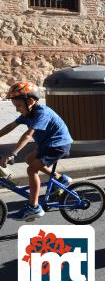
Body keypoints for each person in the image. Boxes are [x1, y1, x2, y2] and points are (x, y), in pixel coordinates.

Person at [0, 82, 73, 221]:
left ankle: (34, 207)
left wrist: (12, 154)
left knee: (31, 170)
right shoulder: (28, 112)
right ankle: (61, 179)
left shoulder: (41, 113)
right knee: (29, 159)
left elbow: (28, 135)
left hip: (58, 145)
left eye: (19, 106)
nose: (17, 110)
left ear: (31, 101)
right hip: (48, 144)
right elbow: (10, 126)